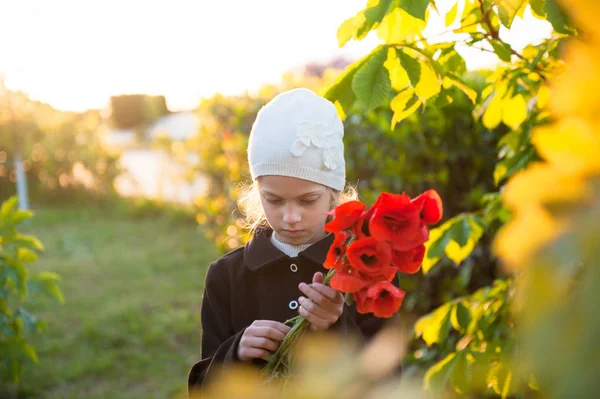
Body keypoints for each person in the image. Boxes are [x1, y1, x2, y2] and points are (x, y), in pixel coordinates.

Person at [187, 88, 398, 394]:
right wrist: (237, 353)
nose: (290, 217)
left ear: (334, 194)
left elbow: (387, 383)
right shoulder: (226, 277)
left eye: (308, 200)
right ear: (257, 192)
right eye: (273, 200)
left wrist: (336, 326)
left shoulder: (367, 269)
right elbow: (203, 391)